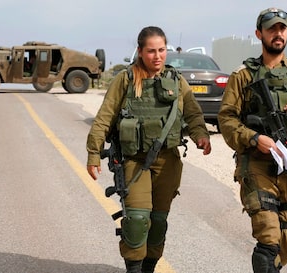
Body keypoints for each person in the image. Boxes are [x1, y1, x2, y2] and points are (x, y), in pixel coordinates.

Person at [86, 26, 211, 273]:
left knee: (157, 222)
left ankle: (149, 268)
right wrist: (93, 152)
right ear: (140, 51)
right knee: (136, 220)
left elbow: (193, 113)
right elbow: (105, 117)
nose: (157, 56)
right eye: (151, 51)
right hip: (134, 161)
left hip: (168, 161)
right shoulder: (126, 79)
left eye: (162, 50)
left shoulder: (176, 80)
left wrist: (201, 136)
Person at [218, 7, 287, 272]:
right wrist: (255, 137)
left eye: (282, 28)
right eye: (271, 29)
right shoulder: (243, 76)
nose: (278, 33)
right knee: (269, 239)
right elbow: (226, 120)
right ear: (260, 34)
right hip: (257, 165)